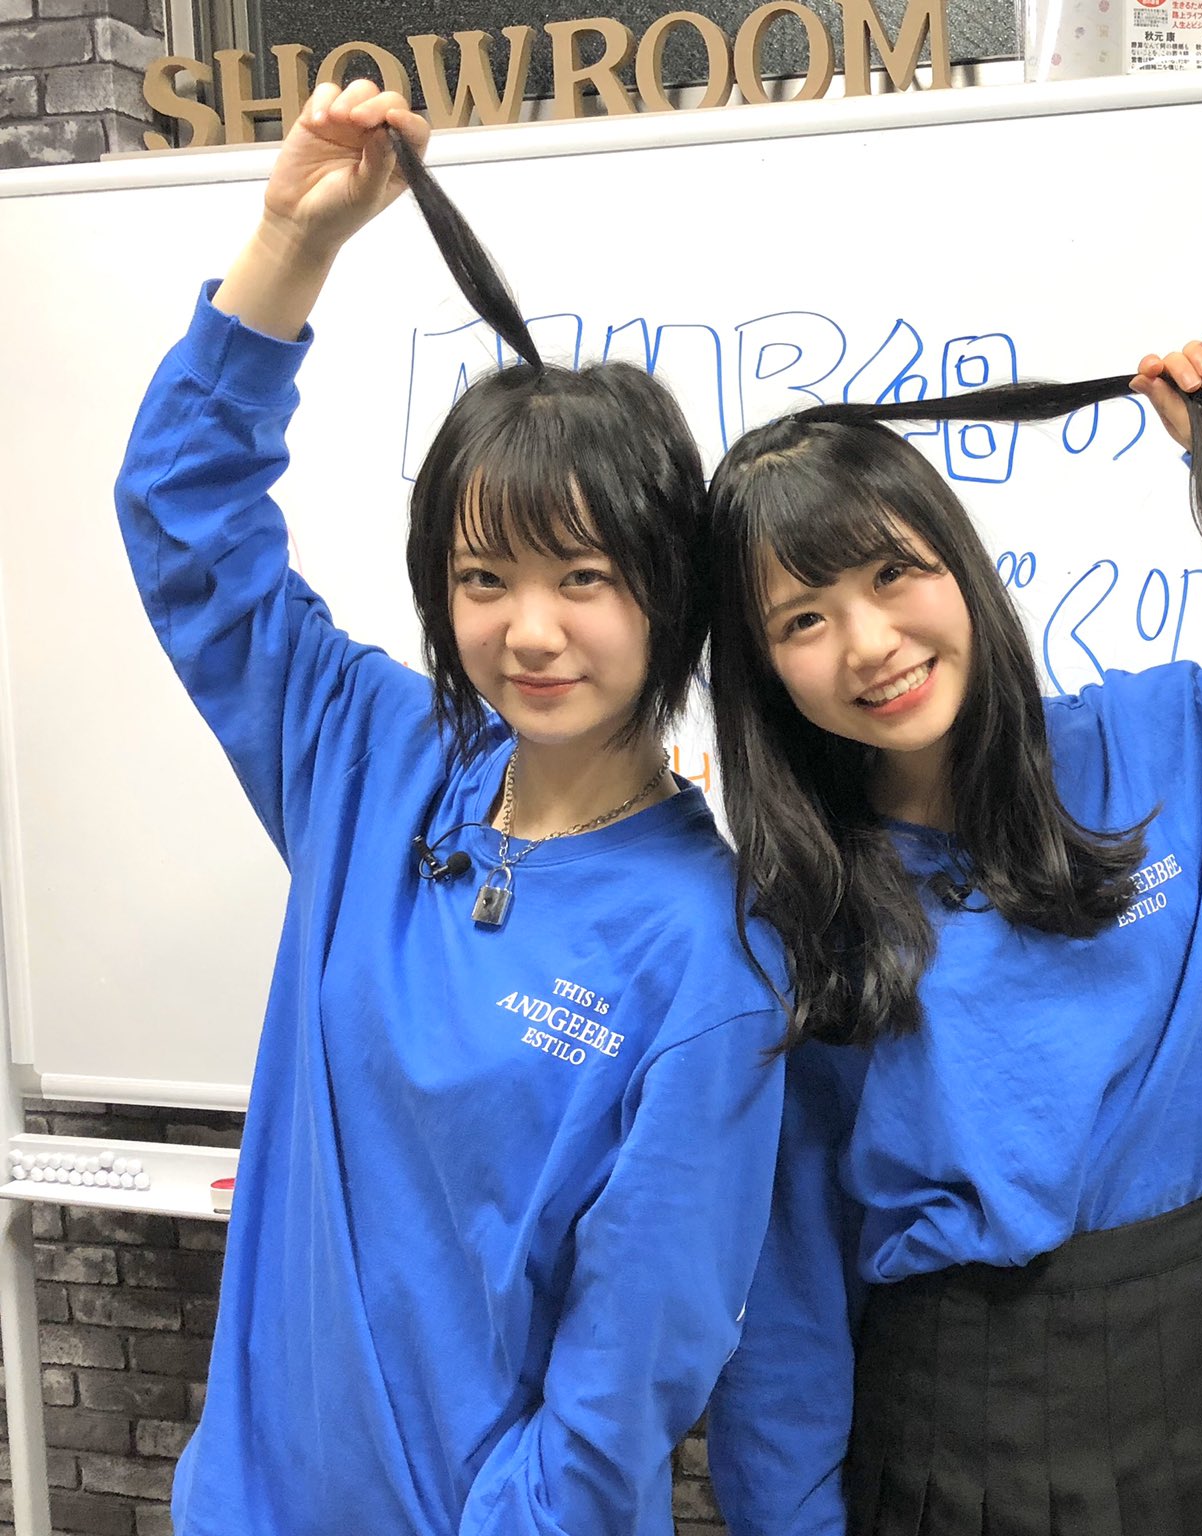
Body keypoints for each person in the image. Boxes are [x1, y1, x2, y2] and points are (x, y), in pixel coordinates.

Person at [701, 330, 1202, 1533]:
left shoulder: (1188, 747)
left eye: (890, 573)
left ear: (956, 561)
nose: (868, 643)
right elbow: (783, 1281)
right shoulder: (796, 917)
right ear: (765, 671)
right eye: (802, 620)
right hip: (954, 1425)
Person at [115, 79, 782, 1536]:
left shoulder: (707, 956)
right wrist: (292, 243)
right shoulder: (375, 758)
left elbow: (622, 1389)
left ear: (670, 594)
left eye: (582, 579)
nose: (528, 631)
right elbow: (183, 519)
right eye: (483, 580)